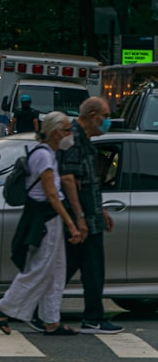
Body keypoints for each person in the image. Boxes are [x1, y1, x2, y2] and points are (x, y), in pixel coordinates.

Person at [0, 112, 81, 336]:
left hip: (50, 218)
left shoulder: (50, 153)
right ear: (55, 132)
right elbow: (51, 194)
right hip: (45, 219)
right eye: (67, 130)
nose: (71, 134)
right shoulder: (44, 156)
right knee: (41, 268)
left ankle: (51, 320)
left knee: (57, 270)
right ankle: (2, 306)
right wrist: (72, 224)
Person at [57, 96, 123, 334]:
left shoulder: (84, 140)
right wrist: (81, 217)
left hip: (89, 215)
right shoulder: (73, 139)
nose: (107, 122)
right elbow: (68, 179)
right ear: (93, 116)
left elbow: (87, 182)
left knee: (73, 267)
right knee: (92, 269)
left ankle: (39, 309)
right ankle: (93, 318)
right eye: (105, 117)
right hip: (82, 218)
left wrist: (101, 210)